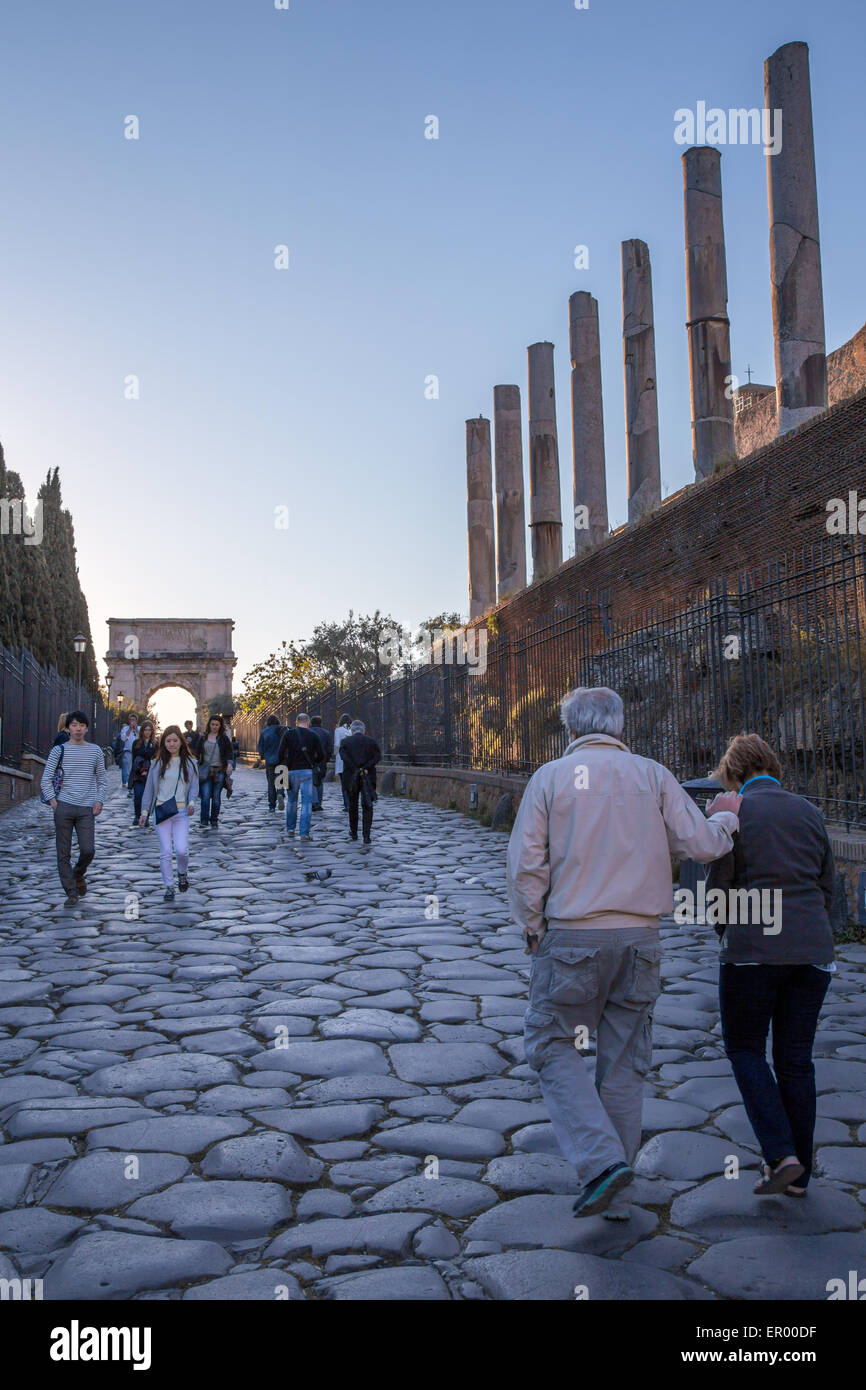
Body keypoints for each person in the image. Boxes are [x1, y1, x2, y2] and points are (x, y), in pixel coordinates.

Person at [507, 687, 741, 1219]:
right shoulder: (653, 775)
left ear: (572, 730)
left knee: (550, 1044)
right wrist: (726, 818)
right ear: (618, 727)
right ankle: (617, 1190)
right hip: (640, 939)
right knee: (624, 1063)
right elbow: (702, 845)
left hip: (572, 935)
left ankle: (601, 1162)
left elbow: (527, 864)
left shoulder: (549, 779)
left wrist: (532, 925)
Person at [705, 733, 836, 1198]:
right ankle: (798, 1176)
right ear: (773, 768)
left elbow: (719, 887)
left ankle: (781, 1154)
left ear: (734, 774)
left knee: (744, 1048)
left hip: (753, 950)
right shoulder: (810, 811)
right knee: (796, 1060)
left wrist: (729, 936)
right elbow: (827, 886)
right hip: (813, 950)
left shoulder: (735, 811)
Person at [40, 710, 108, 908]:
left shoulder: (95, 751)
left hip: (86, 808)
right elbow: (46, 778)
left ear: (87, 728)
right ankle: (71, 892)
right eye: (74, 725)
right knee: (63, 853)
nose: (78, 728)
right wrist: (53, 801)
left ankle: (77, 874)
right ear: (68, 728)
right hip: (64, 806)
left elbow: (102, 780)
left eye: (82, 725)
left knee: (88, 850)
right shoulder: (58, 750)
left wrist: (100, 801)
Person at [140, 724, 199, 901]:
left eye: (175, 740)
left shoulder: (191, 763)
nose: (172, 744)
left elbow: (194, 787)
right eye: (168, 741)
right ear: (163, 743)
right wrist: (144, 812)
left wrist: (192, 803)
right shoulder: (156, 764)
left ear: (181, 742)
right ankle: (169, 886)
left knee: (181, 850)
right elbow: (149, 789)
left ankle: (182, 873)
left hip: (181, 812)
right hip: (162, 811)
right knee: (165, 852)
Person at [277, 712, 326, 841]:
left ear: (297, 722)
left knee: (292, 801)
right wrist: (313, 762)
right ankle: (304, 832)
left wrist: (285, 763)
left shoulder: (289, 734)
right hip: (307, 772)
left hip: (292, 771)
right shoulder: (313, 735)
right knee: (306, 803)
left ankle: (290, 829)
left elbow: (280, 753)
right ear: (308, 722)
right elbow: (321, 754)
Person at [339, 719, 381, 844]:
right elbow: (377, 757)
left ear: (351, 731)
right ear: (363, 730)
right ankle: (366, 835)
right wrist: (365, 767)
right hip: (367, 776)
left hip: (351, 776)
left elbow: (344, 757)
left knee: (353, 805)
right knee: (367, 804)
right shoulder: (371, 742)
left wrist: (355, 768)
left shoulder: (345, 742)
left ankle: (354, 832)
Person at [197, 714, 232, 829]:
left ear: (220, 725)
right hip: (206, 771)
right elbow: (196, 753)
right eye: (213, 724)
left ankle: (214, 820)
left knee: (216, 797)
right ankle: (204, 820)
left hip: (220, 771)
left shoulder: (224, 738)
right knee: (206, 796)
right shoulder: (203, 738)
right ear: (209, 725)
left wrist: (229, 765)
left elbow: (229, 753)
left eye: (217, 724)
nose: (215, 726)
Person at [129, 720, 157, 827]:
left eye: (149, 730)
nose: (147, 732)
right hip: (138, 773)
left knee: (148, 796)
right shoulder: (136, 743)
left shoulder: (155, 743)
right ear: (142, 731)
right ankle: (137, 816)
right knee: (138, 795)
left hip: (150, 773)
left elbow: (155, 758)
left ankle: (146, 817)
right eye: (145, 730)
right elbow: (134, 757)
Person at [257, 714, 284, 812]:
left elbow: (260, 748)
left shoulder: (264, 732)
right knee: (281, 780)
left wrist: (263, 756)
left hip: (270, 760)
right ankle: (280, 793)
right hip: (282, 760)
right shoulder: (282, 730)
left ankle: (272, 805)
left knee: (271, 783)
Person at [309, 716, 333, 812]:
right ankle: (319, 802)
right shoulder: (326, 733)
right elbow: (329, 749)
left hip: (309, 760)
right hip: (322, 760)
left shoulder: (308, 731)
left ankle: (313, 802)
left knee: (311, 782)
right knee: (320, 782)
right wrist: (326, 759)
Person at [333, 714, 353, 812]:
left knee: (344, 783)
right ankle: (353, 803)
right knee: (352, 782)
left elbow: (337, 744)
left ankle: (347, 804)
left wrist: (335, 754)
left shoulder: (338, 730)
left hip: (341, 759)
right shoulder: (353, 730)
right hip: (353, 759)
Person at [119, 715, 139, 792]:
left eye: (133, 720)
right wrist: (130, 729)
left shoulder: (139, 728)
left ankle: (134, 784)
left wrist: (136, 729)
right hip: (128, 751)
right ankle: (129, 785)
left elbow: (141, 737)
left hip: (137, 752)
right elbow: (123, 738)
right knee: (128, 769)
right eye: (130, 720)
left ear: (136, 721)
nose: (132, 721)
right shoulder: (125, 729)